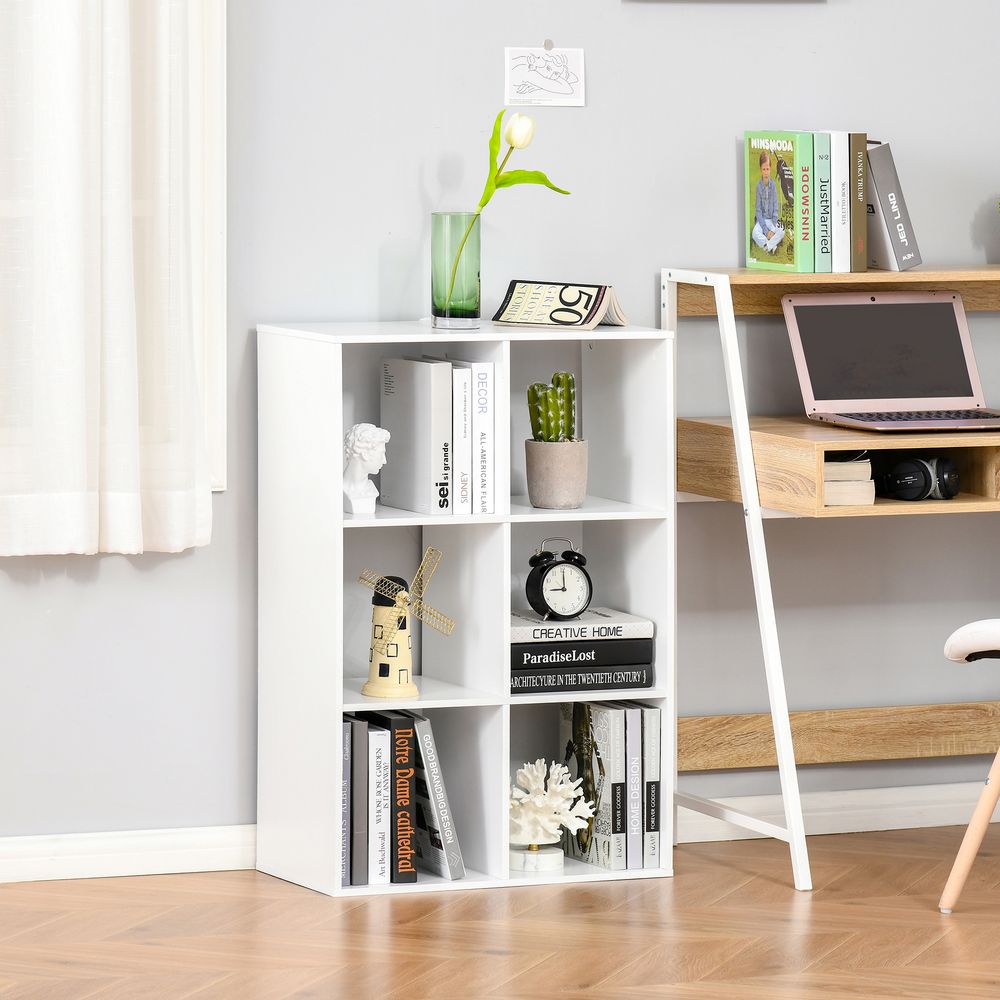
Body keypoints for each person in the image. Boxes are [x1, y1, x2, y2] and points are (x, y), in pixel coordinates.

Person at [343, 423, 390, 514]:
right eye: (381, 454)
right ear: (364, 454)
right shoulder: (338, 488)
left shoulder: (371, 490)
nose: (384, 461)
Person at [751, 150, 785, 254]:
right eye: (764, 169)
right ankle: (772, 246)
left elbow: (775, 207)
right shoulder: (759, 186)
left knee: (782, 230)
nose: (766, 172)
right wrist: (766, 231)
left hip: (772, 220)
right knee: (754, 233)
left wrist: (773, 226)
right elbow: (758, 210)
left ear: (770, 169)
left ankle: (767, 246)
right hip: (762, 221)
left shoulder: (773, 186)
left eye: (768, 169)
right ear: (761, 170)